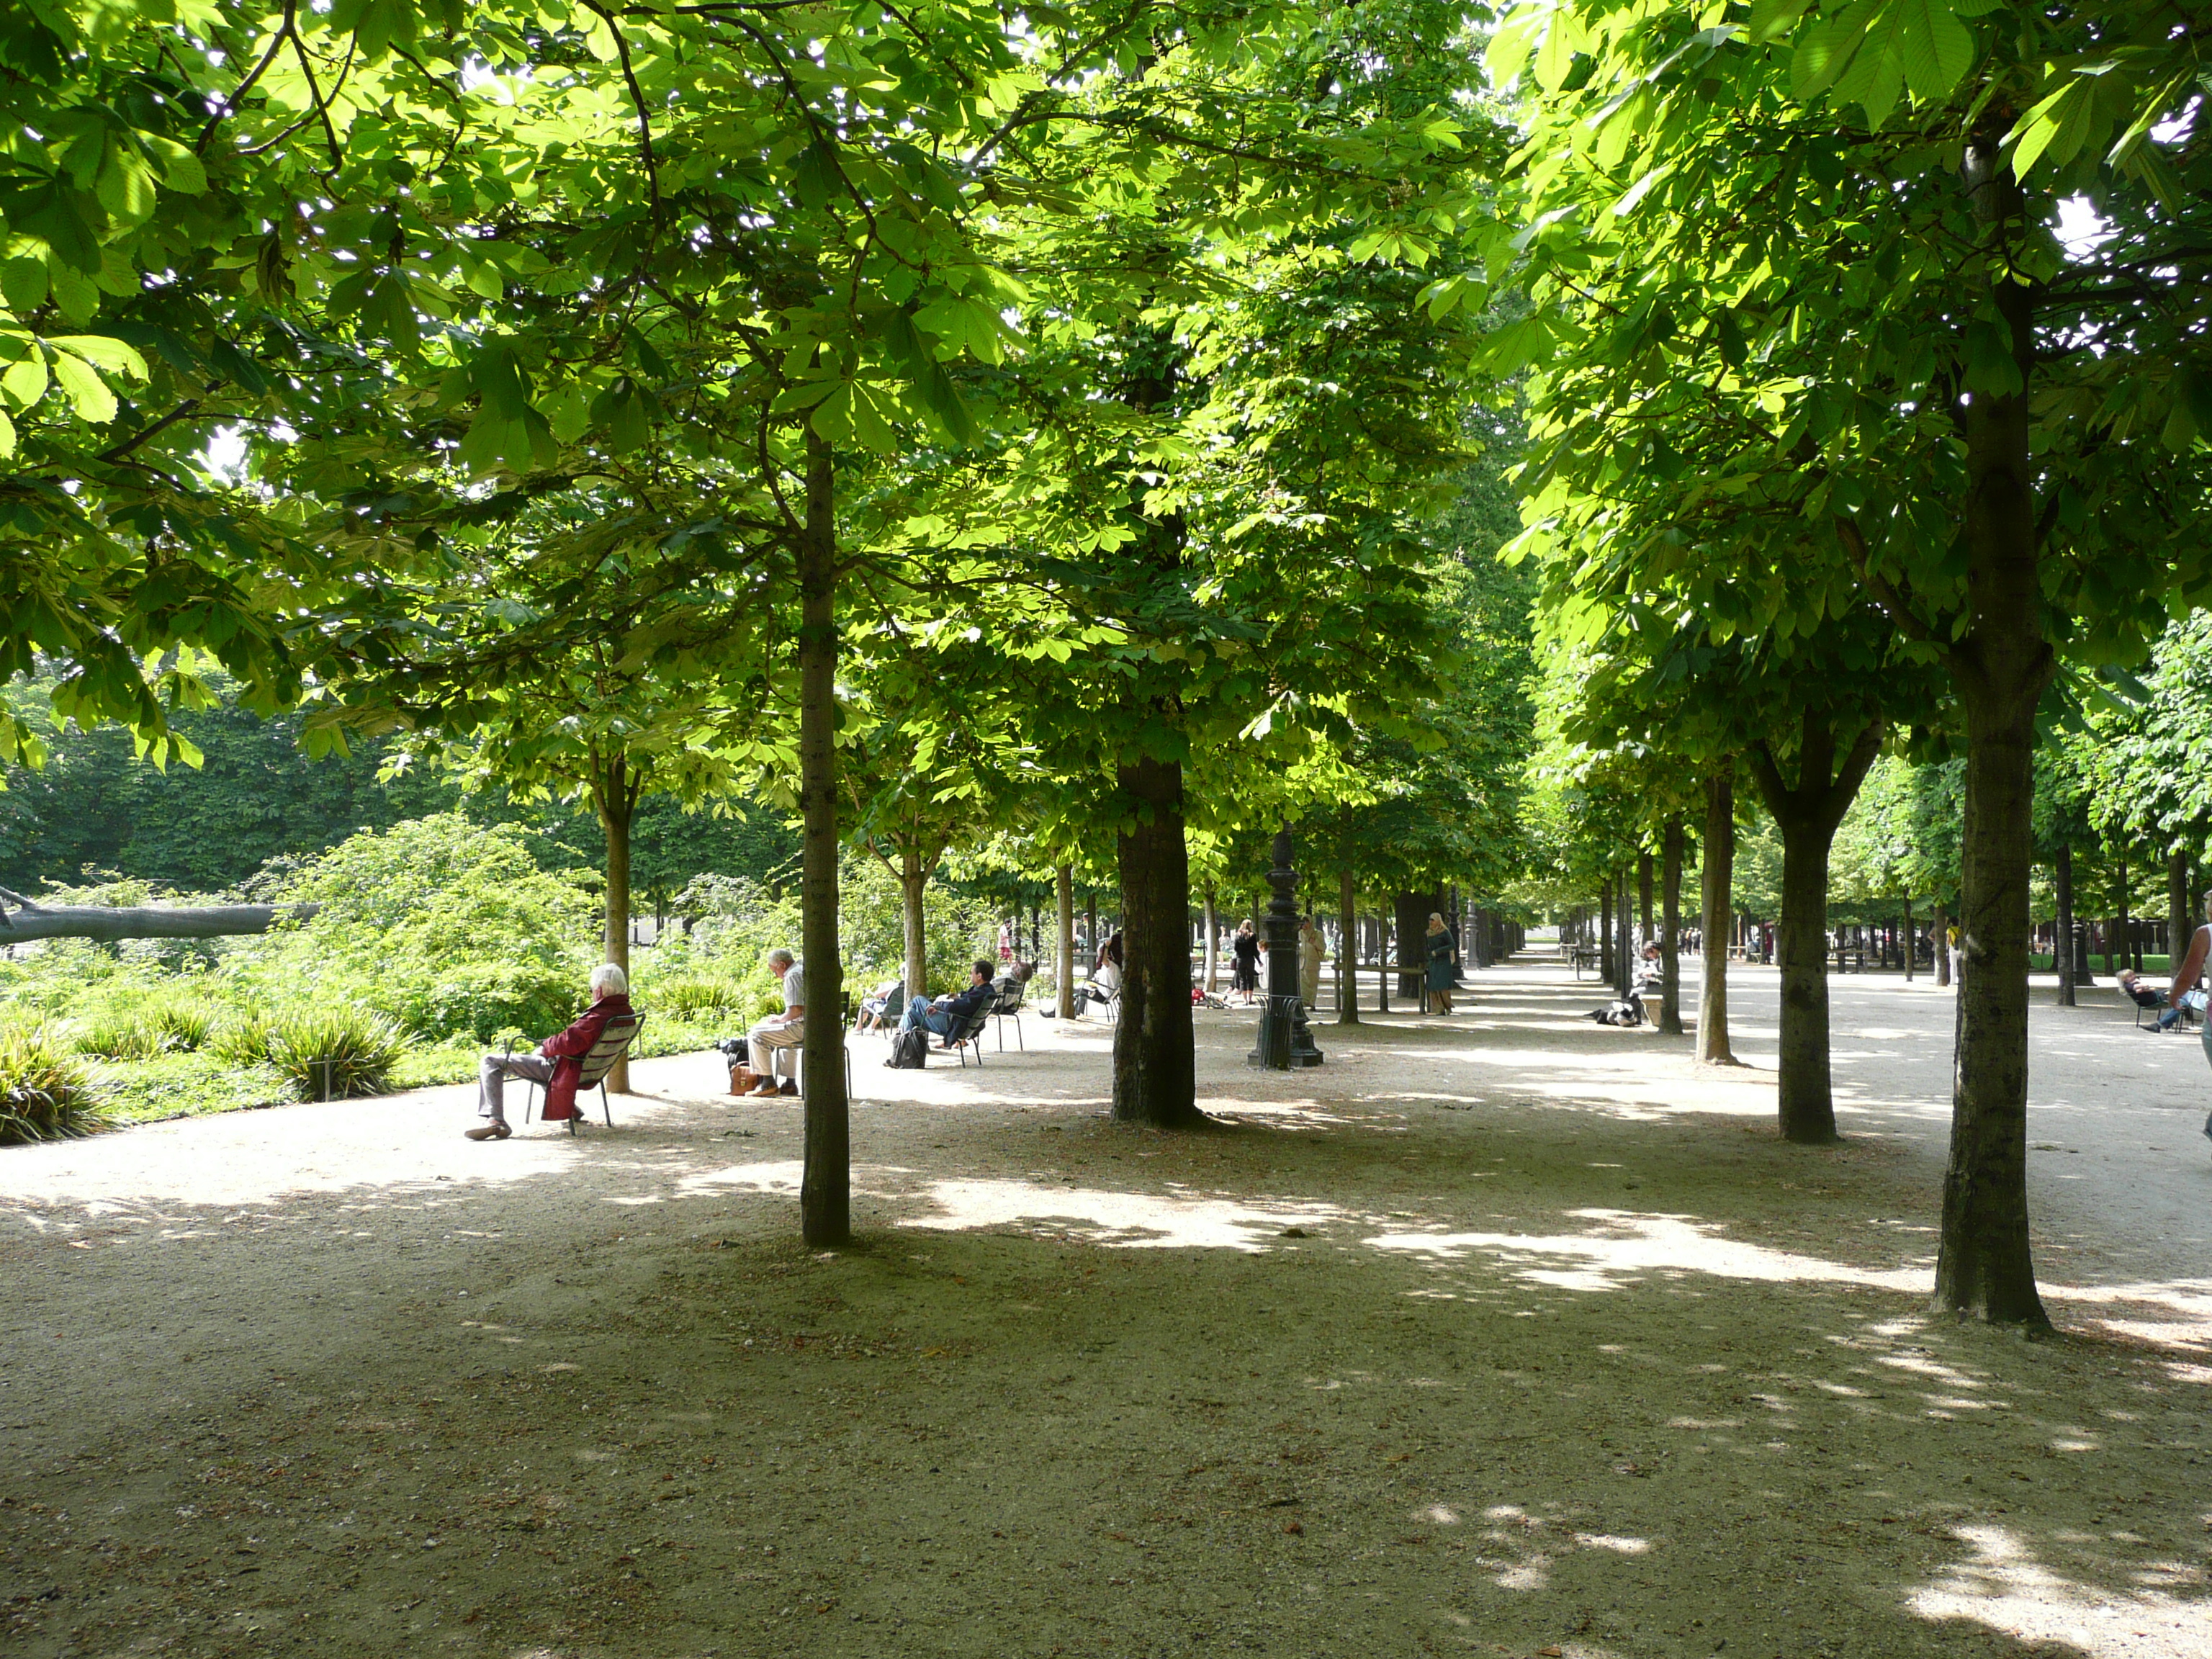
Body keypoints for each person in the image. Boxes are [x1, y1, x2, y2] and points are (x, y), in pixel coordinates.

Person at [467, 963, 637, 1139]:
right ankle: (570, 1108)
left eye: (592, 990)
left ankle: (495, 1120)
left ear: (599, 991)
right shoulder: (626, 1013)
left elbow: (566, 1042)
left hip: (565, 1071)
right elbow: (572, 1041)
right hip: (590, 1071)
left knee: (490, 1061)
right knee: (544, 1055)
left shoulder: (597, 1018)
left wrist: (545, 1046)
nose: (592, 994)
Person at [737, 948, 806, 1098]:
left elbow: (796, 1010)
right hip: (816, 1026)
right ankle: (789, 1083)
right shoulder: (801, 969)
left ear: (781, 965)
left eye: (774, 971)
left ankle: (768, 1083)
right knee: (776, 1030)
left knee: (756, 1035)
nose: (776, 976)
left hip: (805, 1028)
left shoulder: (793, 975)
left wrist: (781, 1019)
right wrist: (781, 1019)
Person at [899, 960, 998, 1042]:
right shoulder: (987, 991)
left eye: (971, 973)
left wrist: (938, 1005)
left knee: (918, 1000)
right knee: (910, 1013)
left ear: (979, 976)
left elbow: (954, 1007)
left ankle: (901, 1045)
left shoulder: (980, 993)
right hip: (961, 1024)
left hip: (953, 1025)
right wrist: (959, 997)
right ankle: (902, 1046)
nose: (970, 976)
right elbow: (967, 1003)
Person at [1423, 912, 1458, 1014]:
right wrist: (1429, 957)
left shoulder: (1444, 932)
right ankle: (1438, 1009)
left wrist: (1438, 951)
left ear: (1438, 921)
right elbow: (1427, 947)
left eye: (1433, 920)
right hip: (1434, 962)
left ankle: (1447, 1007)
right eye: (1430, 920)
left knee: (1443, 986)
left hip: (1443, 962)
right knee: (1433, 985)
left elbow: (1452, 945)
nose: (1431, 922)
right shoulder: (1428, 933)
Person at [1298, 914, 1324, 1010]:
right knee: (1303, 985)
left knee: (1313, 984)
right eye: (1303, 922)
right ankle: (1304, 1002)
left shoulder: (1318, 934)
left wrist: (1314, 943)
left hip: (1313, 963)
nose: (1305, 924)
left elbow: (1323, 947)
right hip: (1302, 964)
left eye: (1307, 922)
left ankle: (1312, 1003)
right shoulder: (1299, 934)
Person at [1231, 920, 1261, 1004]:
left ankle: (1244, 1000)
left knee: (1242, 979)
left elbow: (1235, 948)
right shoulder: (1253, 936)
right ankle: (1250, 999)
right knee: (1250, 979)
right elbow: (1255, 950)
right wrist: (1259, 960)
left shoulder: (1237, 935)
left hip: (1240, 960)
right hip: (1250, 960)